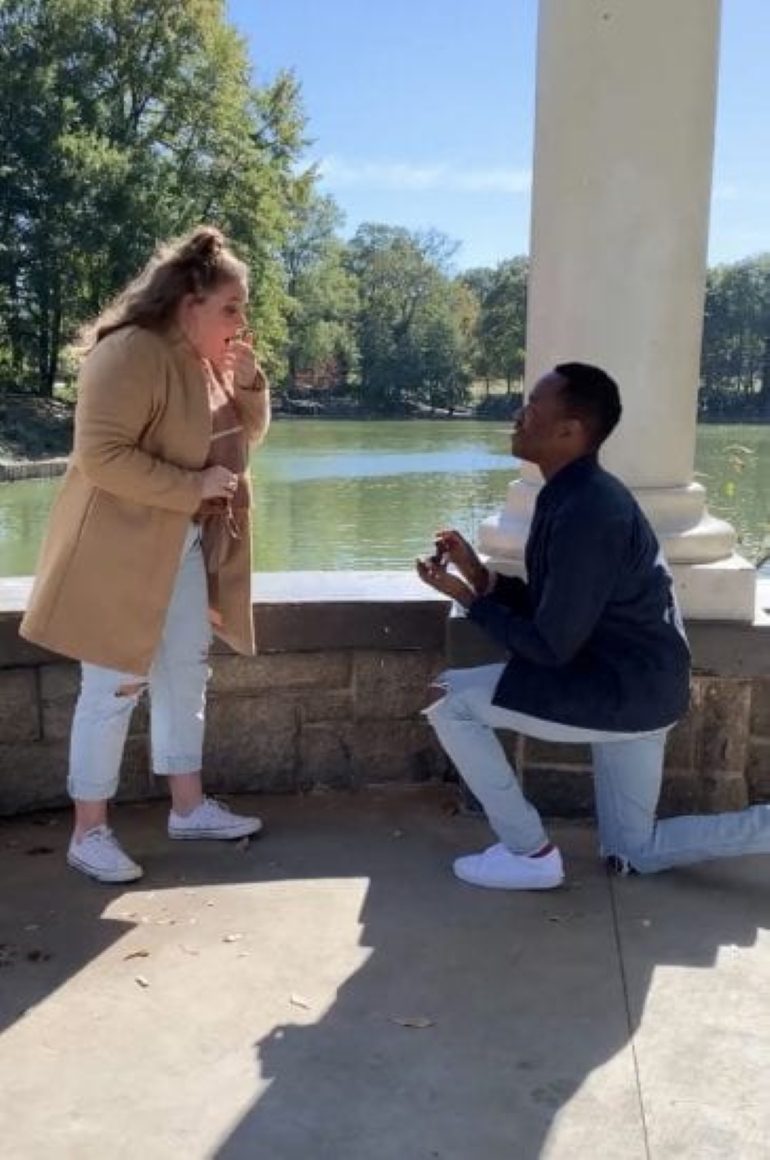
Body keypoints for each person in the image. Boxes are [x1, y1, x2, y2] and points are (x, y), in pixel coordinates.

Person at [417, 362, 770, 889]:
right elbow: (560, 605)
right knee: (633, 849)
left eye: (531, 407)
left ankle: (528, 852)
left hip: (621, 691)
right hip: (643, 687)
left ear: (570, 431)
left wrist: (469, 600)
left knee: (453, 703)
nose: (518, 415)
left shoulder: (588, 509)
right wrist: (481, 576)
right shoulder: (576, 493)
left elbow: (549, 644)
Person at [20, 226, 270, 883]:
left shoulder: (204, 359)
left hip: (181, 544)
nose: (241, 321)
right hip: (115, 554)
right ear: (190, 301)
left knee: (186, 671)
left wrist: (249, 386)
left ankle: (187, 809)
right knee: (113, 688)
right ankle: (88, 833)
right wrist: (193, 487)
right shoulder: (128, 353)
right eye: (231, 307)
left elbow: (244, 440)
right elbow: (100, 458)